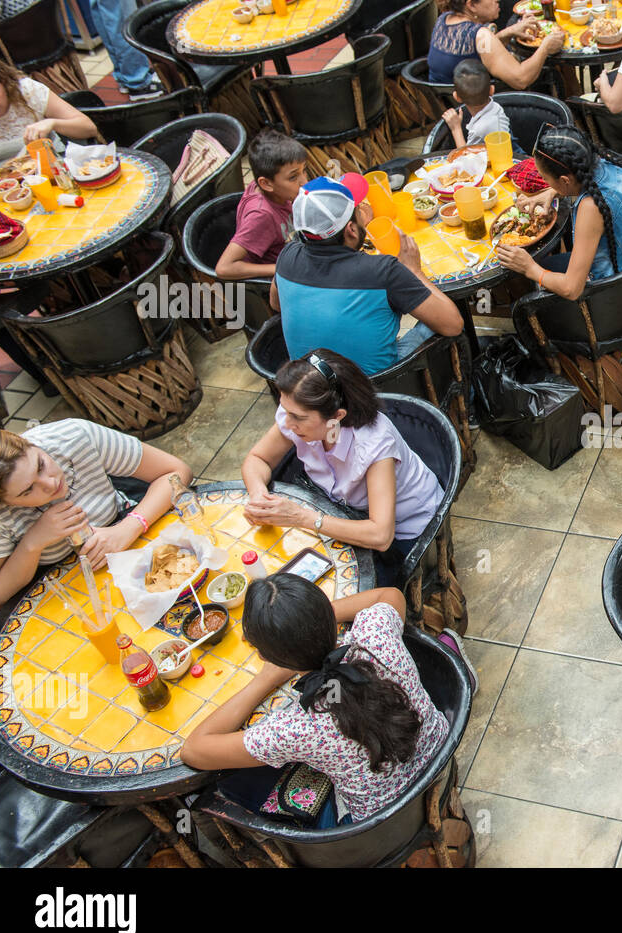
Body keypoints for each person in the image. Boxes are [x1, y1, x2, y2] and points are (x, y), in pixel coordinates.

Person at [180, 576, 450, 827]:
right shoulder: (375, 638)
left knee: (236, 782)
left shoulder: (294, 728)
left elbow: (194, 750)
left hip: (384, 824)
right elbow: (389, 595)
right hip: (441, 759)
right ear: (327, 616)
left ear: (266, 657)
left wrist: (264, 680)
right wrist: (305, 623)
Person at [240, 349, 444, 591]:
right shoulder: (296, 418)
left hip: (406, 527)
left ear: (337, 416)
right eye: (285, 411)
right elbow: (257, 459)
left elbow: (380, 534)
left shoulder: (373, 445)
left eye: (298, 417)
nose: (286, 423)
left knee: (336, 592)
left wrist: (304, 518)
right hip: (347, 512)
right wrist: (258, 494)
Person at [0, 420, 192, 608]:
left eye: (41, 465)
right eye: (28, 490)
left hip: (133, 535)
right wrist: (32, 544)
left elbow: (177, 472)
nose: (50, 483)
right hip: (69, 593)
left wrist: (128, 528)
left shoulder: (71, 436)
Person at [273, 174, 463, 376]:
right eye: (358, 211)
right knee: (446, 311)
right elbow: (453, 325)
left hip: (311, 388)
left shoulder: (286, 256)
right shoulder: (382, 271)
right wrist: (415, 272)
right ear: (351, 230)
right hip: (375, 389)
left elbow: (277, 304)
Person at [497, 125, 622, 299]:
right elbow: (579, 180)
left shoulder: (591, 207)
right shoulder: (603, 164)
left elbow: (571, 289)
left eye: (546, 179)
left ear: (565, 180)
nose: (546, 183)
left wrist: (529, 268)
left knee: (521, 277)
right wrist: (551, 192)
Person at [0, 0, 162, 99]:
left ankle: (135, 81)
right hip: (42, 41)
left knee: (111, 9)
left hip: (22, 49)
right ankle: (133, 79)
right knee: (112, 9)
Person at [215, 129, 308, 280]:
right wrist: (281, 268)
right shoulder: (261, 215)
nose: (304, 181)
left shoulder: (273, 189)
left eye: (304, 171)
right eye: (293, 177)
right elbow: (224, 268)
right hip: (283, 276)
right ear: (266, 184)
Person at [0, 54, 97, 173]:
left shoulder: (27, 90)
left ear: (3, 81)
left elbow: (89, 128)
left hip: (54, 170)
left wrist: (52, 123)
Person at [427, 0, 564, 88]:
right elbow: (521, 79)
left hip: (449, 105)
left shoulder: (444, 19)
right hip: (475, 111)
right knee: (548, 74)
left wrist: (509, 32)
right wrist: (545, 47)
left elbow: (481, 52)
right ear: (471, 5)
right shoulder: (481, 35)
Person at [441, 60, 512, 149]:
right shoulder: (496, 108)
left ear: (456, 97)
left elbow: (467, 157)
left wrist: (456, 129)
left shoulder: (479, 130)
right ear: (492, 90)